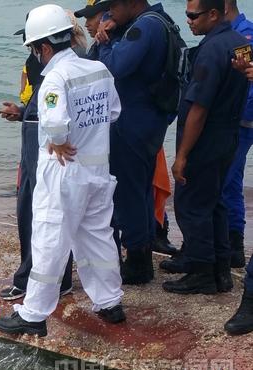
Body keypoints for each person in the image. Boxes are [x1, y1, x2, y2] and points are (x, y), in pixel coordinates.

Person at [0, 4, 124, 337]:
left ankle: (33, 314)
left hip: (64, 174)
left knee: (49, 239)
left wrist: (59, 139)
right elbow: (112, 113)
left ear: (44, 47)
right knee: (98, 237)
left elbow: (55, 124)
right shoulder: (98, 70)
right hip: (97, 172)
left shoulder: (55, 77)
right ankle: (109, 302)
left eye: (35, 49)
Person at [162, 0, 248, 295]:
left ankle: (201, 272)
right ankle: (220, 269)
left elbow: (199, 107)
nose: (188, 21)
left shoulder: (211, 50)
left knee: (192, 204)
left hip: (206, 138)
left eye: (193, 15)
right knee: (216, 202)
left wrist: (182, 156)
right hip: (229, 135)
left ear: (214, 14)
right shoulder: (240, 43)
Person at [95, 0, 177, 284]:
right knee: (140, 190)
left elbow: (113, 67)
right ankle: (141, 256)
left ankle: (138, 265)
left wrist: (104, 42)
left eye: (113, 7)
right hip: (149, 120)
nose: (109, 14)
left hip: (134, 122)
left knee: (129, 192)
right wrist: (115, 29)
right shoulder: (159, 22)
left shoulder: (144, 27)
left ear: (131, 3)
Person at [223, 0, 253, 268]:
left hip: (240, 123)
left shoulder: (243, 37)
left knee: (221, 183)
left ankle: (221, 247)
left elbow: (248, 84)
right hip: (241, 122)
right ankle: (234, 247)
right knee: (232, 184)